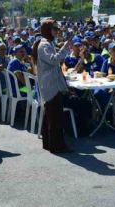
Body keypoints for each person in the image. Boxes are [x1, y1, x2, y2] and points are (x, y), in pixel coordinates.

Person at [33, 20, 72, 154]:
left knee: (50, 116)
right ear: (47, 30)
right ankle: (57, 146)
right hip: (50, 85)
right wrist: (65, 48)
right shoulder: (44, 45)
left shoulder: (47, 43)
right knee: (55, 117)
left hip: (51, 84)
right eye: (54, 29)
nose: (57, 31)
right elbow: (54, 59)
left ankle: (49, 143)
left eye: (57, 29)